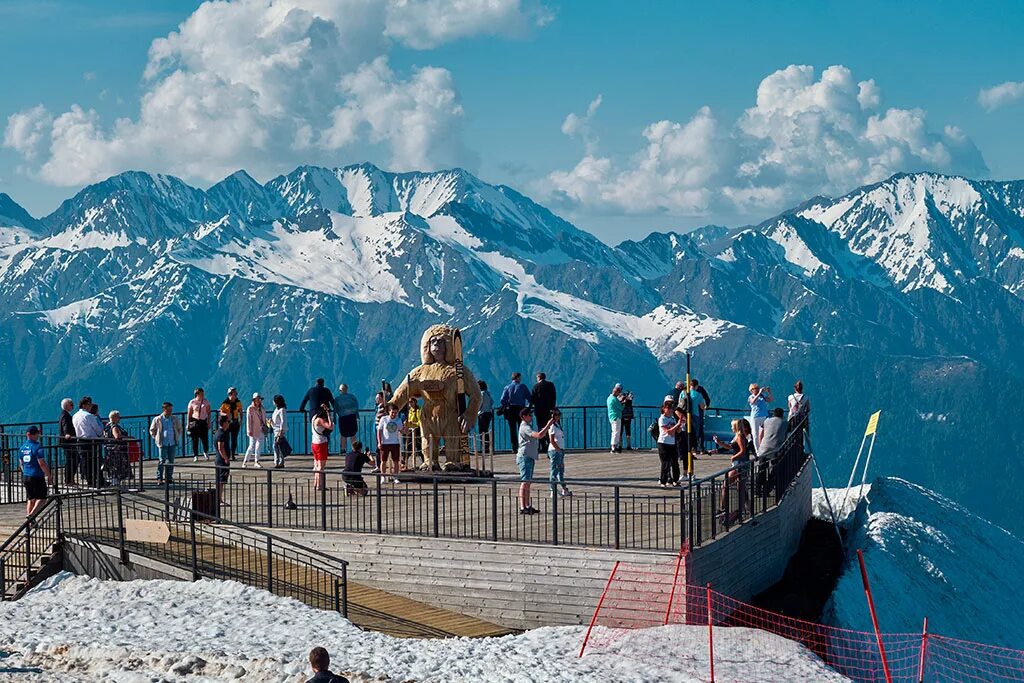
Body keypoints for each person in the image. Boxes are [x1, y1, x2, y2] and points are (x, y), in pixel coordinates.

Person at [516, 408, 554, 515]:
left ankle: (527, 505)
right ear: (523, 416)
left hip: (530, 456)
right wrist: (547, 425)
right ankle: (523, 507)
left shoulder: (529, 426)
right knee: (524, 482)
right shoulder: (524, 427)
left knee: (528, 482)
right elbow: (539, 435)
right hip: (525, 456)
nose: (531, 416)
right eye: (529, 415)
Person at [717, 419, 751, 523]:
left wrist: (733, 457)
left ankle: (724, 508)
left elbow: (742, 451)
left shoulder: (740, 436)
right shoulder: (736, 436)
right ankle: (746, 508)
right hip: (738, 463)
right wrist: (719, 443)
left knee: (726, 484)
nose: (731, 428)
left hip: (739, 463)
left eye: (732, 426)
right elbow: (730, 447)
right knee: (739, 487)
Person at [20, 426, 52, 516]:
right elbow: (41, 463)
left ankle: (29, 522)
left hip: (26, 475)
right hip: (37, 475)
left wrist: (25, 472)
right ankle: (32, 515)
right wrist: (49, 476)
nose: (38, 435)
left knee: (31, 499)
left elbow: (21, 463)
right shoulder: (37, 447)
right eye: (36, 433)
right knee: (42, 499)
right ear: (31, 435)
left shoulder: (22, 448)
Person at [73, 396, 104, 486]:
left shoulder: (75, 416)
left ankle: (89, 481)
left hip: (80, 441)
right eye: (89, 404)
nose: (90, 406)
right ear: (85, 405)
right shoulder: (89, 416)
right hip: (91, 441)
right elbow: (98, 430)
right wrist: (101, 428)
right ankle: (98, 480)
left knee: (85, 462)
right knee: (95, 462)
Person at [149, 402, 182, 485]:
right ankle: (159, 478)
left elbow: (179, 428)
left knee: (171, 460)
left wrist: (177, 436)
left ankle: (169, 478)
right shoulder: (158, 419)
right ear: (164, 409)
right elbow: (152, 430)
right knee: (161, 461)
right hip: (162, 443)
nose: (171, 411)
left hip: (172, 442)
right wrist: (156, 438)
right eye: (169, 410)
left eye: (171, 410)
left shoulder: (174, 418)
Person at [500, 373, 531, 452]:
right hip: (521, 409)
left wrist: (507, 405)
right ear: (518, 378)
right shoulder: (522, 387)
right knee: (522, 428)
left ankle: (514, 447)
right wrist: (528, 406)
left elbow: (502, 400)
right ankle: (523, 446)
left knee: (512, 429)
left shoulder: (507, 387)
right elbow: (529, 397)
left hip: (510, 409)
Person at [657, 397, 683, 488]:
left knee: (675, 462)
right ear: (664, 409)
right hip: (663, 443)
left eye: (671, 408)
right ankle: (663, 481)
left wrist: (680, 425)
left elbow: (677, 431)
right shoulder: (662, 419)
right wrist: (677, 425)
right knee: (665, 463)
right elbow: (668, 431)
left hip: (672, 443)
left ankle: (676, 480)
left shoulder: (672, 419)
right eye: (668, 408)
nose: (670, 410)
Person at [102, 410, 132, 486]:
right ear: (114, 417)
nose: (119, 418)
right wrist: (127, 437)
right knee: (117, 466)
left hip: (109, 449)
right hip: (117, 451)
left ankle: (113, 481)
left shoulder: (106, 426)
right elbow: (117, 436)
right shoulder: (114, 426)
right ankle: (116, 483)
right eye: (118, 417)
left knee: (112, 467)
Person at [376, 403, 404, 483]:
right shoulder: (384, 419)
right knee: (383, 461)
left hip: (395, 442)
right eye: (393, 412)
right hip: (385, 443)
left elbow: (402, 431)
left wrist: (405, 426)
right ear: (389, 411)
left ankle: (395, 477)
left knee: (396, 461)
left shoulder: (398, 420)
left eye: (396, 412)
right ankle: (383, 476)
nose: (394, 414)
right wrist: (379, 442)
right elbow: (379, 431)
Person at [547, 408, 571, 497]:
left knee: (561, 470)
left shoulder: (557, 425)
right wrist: (558, 450)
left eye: (559, 414)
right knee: (554, 470)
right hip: (555, 450)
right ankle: (552, 490)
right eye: (557, 414)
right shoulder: (552, 426)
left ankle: (564, 488)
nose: (559, 416)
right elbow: (551, 440)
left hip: (560, 450)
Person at [531, 372, 557, 451]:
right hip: (549, 410)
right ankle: (550, 443)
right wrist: (552, 407)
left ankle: (542, 445)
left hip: (539, 411)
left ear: (538, 378)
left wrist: (531, 407)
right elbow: (554, 396)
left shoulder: (535, 386)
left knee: (540, 428)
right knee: (549, 427)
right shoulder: (550, 385)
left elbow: (533, 399)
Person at [187, 387, 212, 463]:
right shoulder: (192, 402)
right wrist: (188, 424)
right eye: (201, 394)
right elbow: (189, 414)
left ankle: (205, 452)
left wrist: (208, 422)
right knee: (195, 439)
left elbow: (209, 412)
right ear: (197, 394)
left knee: (205, 438)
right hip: (195, 422)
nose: (203, 395)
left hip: (203, 421)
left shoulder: (206, 401)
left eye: (203, 393)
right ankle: (195, 455)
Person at [311, 404, 333, 491]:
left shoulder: (314, 418)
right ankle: (320, 485)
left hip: (314, 443)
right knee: (321, 466)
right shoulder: (320, 420)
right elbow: (330, 426)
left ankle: (316, 483)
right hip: (321, 443)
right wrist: (328, 414)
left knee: (316, 464)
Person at [333, 384, 359, 454]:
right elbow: (356, 407)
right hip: (352, 417)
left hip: (342, 418)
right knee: (353, 434)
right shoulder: (352, 397)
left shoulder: (337, 399)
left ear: (340, 390)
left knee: (343, 434)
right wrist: (357, 416)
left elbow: (335, 409)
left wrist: (334, 419)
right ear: (347, 389)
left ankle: (343, 449)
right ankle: (355, 449)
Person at [243, 393, 267, 468]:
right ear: (254, 400)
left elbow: (264, 418)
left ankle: (257, 461)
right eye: (257, 399)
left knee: (259, 446)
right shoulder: (250, 408)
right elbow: (248, 420)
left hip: (261, 429)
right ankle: (245, 461)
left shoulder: (262, 408)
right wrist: (249, 430)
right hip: (253, 430)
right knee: (251, 446)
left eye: (259, 399)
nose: (259, 401)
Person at [747, 383, 774, 450]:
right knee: (755, 434)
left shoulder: (762, 396)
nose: (757, 390)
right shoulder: (751, 397)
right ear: (751, 390)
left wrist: (769, 392)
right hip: (755, 417)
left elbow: (771, 400)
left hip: (764, 416)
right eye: (755, 388)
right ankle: (757, 450)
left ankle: (764, 448)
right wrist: (759, 393)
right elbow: (753, 402)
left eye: (757, 388)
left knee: (767, 433)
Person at [219, 388, 243, 461]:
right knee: (226, 439)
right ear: (230, 394)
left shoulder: (238, 402)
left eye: (236, 394)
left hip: (235, 422)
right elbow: (221, 412)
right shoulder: (225, 403)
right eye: (234, 393)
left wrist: (240, 420)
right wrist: (226, 414)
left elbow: (241, 412)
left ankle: (232, 454)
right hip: (228, 422)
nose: (236, 395)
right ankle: (227, 454)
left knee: (234, 439)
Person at [58, 398, 78, 486]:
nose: (73, 406)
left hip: (66, 441)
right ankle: (69, 480)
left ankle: (69, 479)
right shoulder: (65, 416)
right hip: (68, 442)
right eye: (71, 404)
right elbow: (65, 425)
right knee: (72, 460)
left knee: (70, 460)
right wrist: (67, 434)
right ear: (66, 406)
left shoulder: (63, 414)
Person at [214, 414, 232, 506]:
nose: (229, 423)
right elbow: (220, 448)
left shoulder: (219, 432)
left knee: (221, 480)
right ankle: (219, 500)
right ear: (224, 423)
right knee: (221, 481)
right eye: (228, 422)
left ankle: (219, 499)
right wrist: (226, 458)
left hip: (219, 459)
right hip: (222, 460)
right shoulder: (221, 434)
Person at [687, 380, 706, 453]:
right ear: (696, 386)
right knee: (695, 432)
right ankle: (694, 448)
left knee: (687, 432)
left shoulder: (683, 393)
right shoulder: (698, 395)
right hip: (695, 415)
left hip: (685, 416)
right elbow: (702, 406)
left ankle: (687, 448)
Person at [271, 395, 290, 469]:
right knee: (278, 446)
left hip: (279, 431)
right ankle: (280, 462)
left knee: (276, 446)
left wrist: (281, 431)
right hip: (275, 429)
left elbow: (283, 421)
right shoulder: (277, 409)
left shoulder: (282, 410)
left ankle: (278, 462)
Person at [477, 380, 494, 455]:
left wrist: (477, 410)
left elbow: (479, 404)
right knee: (486, 430)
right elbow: (492, 402)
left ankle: (484, 448)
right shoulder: (488, 393)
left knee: (482, 431)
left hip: (482, 414)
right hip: (488, 413)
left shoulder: (481, 394)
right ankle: (487, 447)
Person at [607, 384, 625, 453]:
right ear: (616, 392)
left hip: (611, 417)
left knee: (613, 431)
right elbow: (621, 408)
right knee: (616, 432)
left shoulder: (609, 398)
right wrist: (624, 403)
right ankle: (614, 446)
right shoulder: (614, 399)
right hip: (616, 416)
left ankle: (613, 446)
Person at [403, 398, 421, 469]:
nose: (410, 403)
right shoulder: (409, 411)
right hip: (410, 431)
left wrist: (411, 423)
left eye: (411, 402)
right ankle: (404, 462)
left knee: (419, 447)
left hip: (417, 431)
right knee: (408, 447)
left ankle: (425, 461)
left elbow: (420, 422)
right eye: (409, 402)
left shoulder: (418, 411)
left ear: (415, 402)